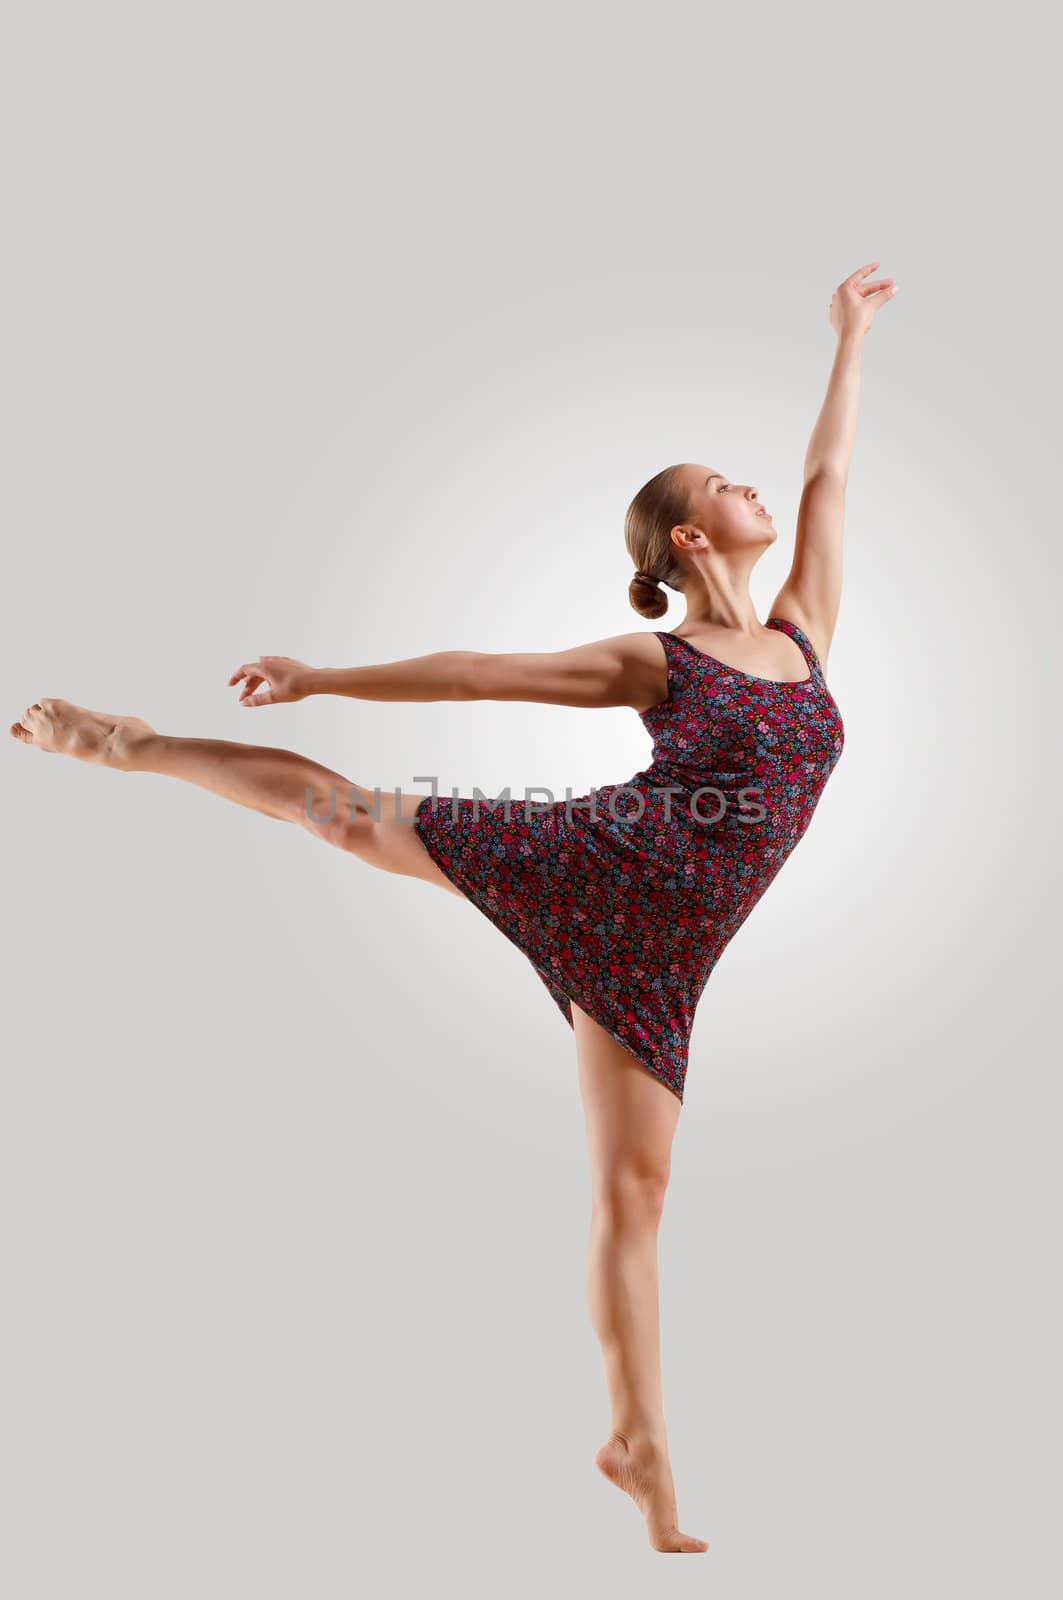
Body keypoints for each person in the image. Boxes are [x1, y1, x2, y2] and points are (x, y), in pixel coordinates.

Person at [10, 261, 896, 1553]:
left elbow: (827, 480)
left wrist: (851, 337)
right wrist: (320, 676)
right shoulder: (661, 659)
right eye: (722, 484)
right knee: (352, 818)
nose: (754, 486)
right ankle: (134, 745)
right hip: (605, 863)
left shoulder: (807, 631)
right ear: (691, 539)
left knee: (633, 1198)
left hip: (668, 954)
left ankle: (636, 1439)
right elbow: (484, 672)